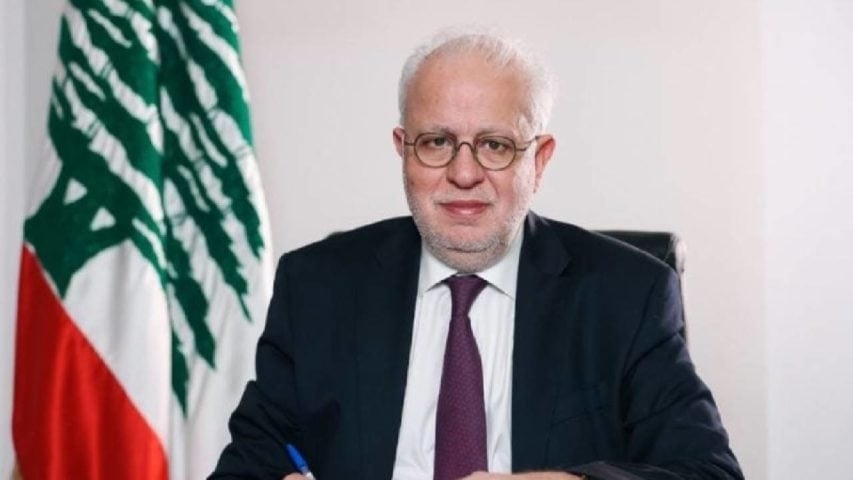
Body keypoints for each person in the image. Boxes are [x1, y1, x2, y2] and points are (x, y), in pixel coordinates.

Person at [210, 29, 743, 480]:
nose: (463, 174)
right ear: (402, 149)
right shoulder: (317, 287)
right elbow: (247, 466)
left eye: (495, 145)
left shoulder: (628, 295)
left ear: (539, 159)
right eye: (436, 142)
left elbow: (710, 473)